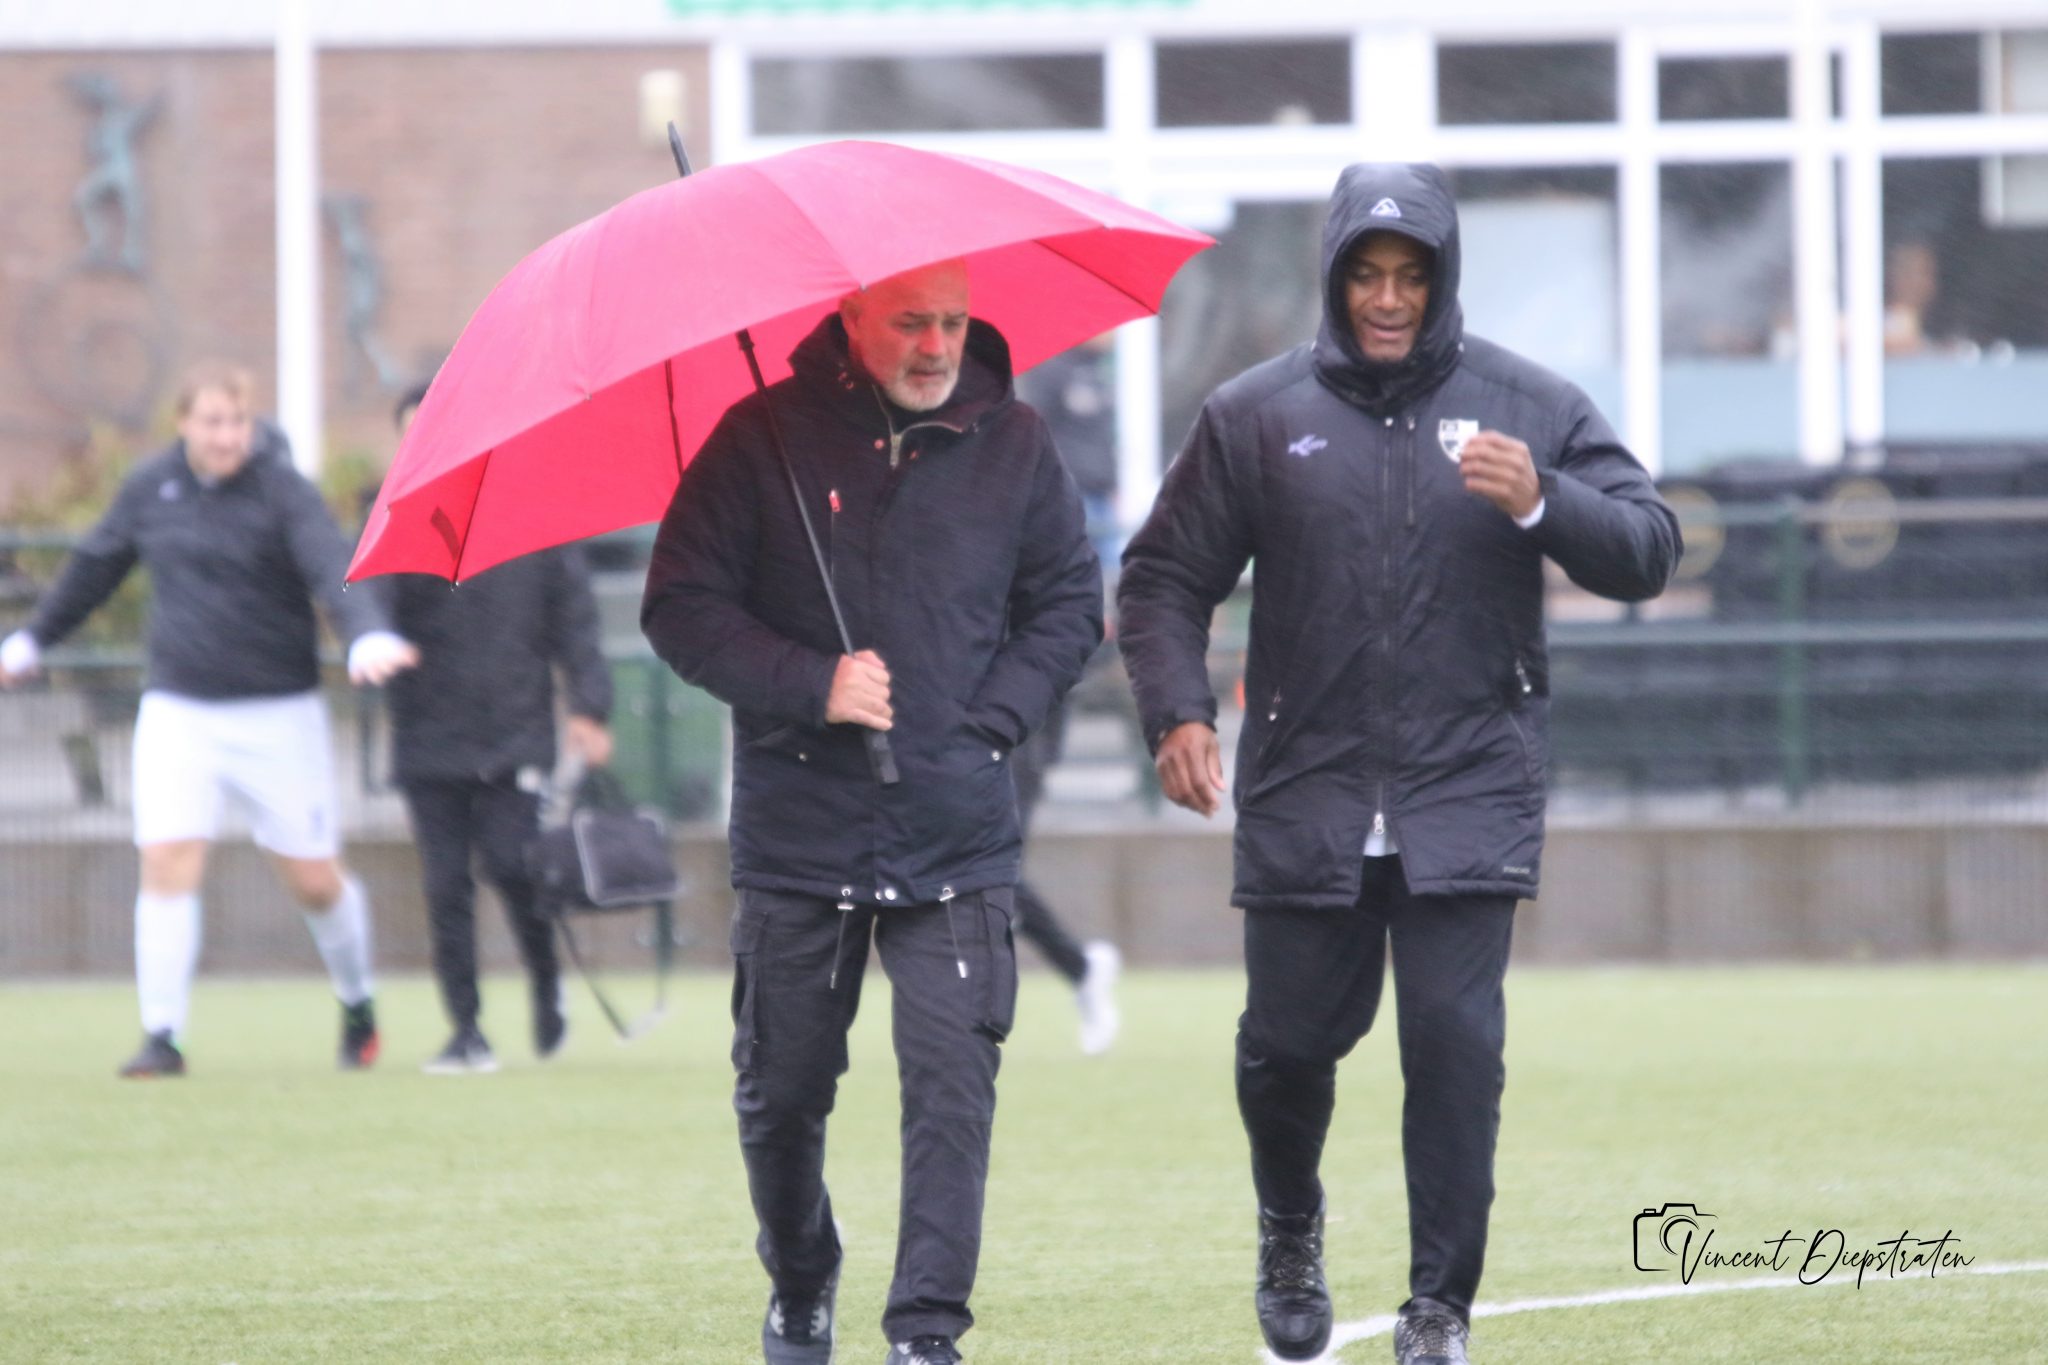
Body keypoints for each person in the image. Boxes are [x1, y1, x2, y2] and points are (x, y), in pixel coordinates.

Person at [1117, 163, 1680, 1364]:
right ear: (1331, 279)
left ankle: (1437, 1310)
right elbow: (1161, 577)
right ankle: (1288, 1228)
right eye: (1364, 275)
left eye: (1408, 276)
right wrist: (1176, 713)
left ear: (1442, 278)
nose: (1386, 298)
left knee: (1454, 1050)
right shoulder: (1254, 415)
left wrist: (1542, 501)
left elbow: (1646, 548)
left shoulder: (1525, 406)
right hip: (1304, 789)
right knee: (1285, 1048)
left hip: (1466, 785)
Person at [642, 259, 1101, 1365]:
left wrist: (990, 723)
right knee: (781, 1091)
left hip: (956, 827)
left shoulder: (1019, 442)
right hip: (799, 830)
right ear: (850, 318)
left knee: (951, 1092)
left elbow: (1067, 605)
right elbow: (680, 606)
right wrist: (813, 682)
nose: (936, 345)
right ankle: (802, 1271)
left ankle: (926, 1332)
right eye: (909, 322)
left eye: (952, 321)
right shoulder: (759, 438)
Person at [0, 361, 419, 1077]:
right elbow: (95, 566)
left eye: (238, 422)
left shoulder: (284, 489)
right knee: (167, 860)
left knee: (316, 883)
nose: (227, 437)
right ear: (183, 424)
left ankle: (358, 1002)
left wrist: (365, 634)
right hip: (180, 712)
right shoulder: (150, 488)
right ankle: (162, 1036)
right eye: (213, 422)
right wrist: (32, 639)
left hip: (279, 713)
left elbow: (331, 566)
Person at [374, 381, 615, 1074]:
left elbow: (575, 619)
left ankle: (547, 982)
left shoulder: (532, 511)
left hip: (514, 730)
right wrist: (371, 638)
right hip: (428, 735)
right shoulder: (391, 520)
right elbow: (364, 599)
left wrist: (589, 707)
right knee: (445, 885)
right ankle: (466, 1028)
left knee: (515, 867)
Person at [1009, 691, 1121, 1054]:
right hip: (951, 744)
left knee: (993, 874)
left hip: (1010, 740)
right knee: (986, 878)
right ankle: (1081, 969)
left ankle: (1082, 969)